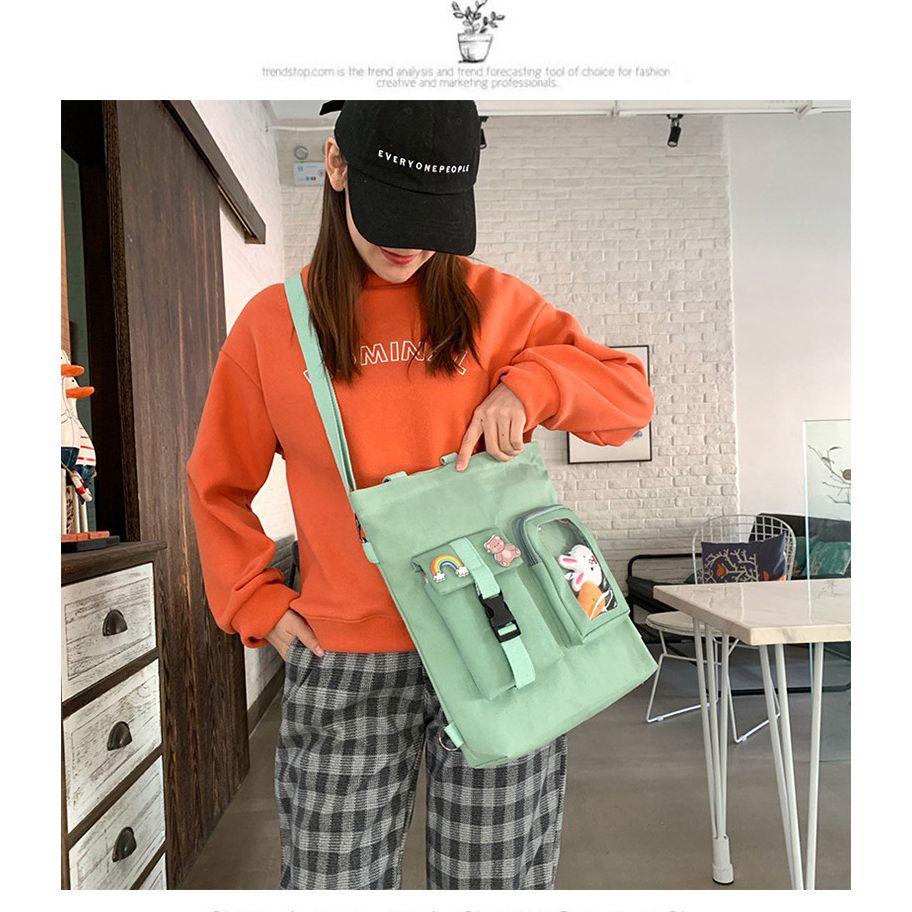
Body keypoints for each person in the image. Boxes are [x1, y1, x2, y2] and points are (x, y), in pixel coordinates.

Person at [186, 100, 655, 890]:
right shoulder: (274, 327)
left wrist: (532, 385)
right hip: (345, 660)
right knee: (331, 886)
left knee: (495, 887)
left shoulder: (495, 305)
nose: (409, 242)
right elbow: (217, 483)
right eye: (392, 211)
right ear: (337, 165)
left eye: (432, 216)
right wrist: (253, 601)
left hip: (506, 642)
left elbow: (628, 400)